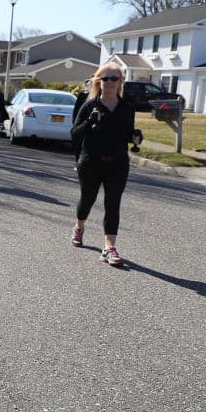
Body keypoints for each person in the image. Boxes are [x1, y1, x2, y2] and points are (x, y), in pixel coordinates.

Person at [70, 63, 141, 267]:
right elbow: (74, 134)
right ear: (99, 82)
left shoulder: (127, 106)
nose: (109, 82)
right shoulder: (89, 105)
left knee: (113, 203)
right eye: (105, 78)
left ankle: (109, 248)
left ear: (120, 83)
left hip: (118, 162)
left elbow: (128, 133)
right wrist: (88, 123)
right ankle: (79, 227)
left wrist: (135, 137)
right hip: (91, 161)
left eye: (114, 79)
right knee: (87, 200)